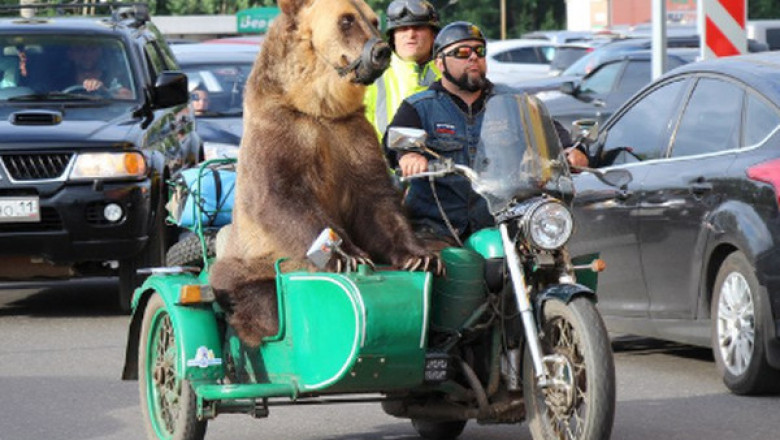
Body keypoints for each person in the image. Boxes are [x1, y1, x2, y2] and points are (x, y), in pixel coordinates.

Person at [385, 21, 581, 247]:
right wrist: (408, 156)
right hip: (438, 228)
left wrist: (573, 152)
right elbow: (393, 145)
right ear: (440, 62)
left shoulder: (515, 101)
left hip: (504, 222)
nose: (473, 57)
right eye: (462, 52)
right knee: (434, 266)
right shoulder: (418, 107)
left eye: (479, 51)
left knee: (546, 258)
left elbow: (553, 135)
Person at [364, 0, 441, 140]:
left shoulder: (450, 74)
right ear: (393, 36)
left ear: (433, 35)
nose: (410, 34)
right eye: (403, 28)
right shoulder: (371, 76)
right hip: (383, 159)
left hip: (444, 160)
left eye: (418, 27)